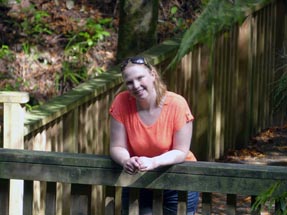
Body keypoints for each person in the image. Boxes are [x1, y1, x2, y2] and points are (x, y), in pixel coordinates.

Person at [109, 56, 199, 215]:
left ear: (152, 74)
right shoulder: (121, 102)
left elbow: (181, 151)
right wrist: (126, 160)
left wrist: (153, 162)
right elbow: (117, 146)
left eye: (140, 78)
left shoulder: (177, 104)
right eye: (129, 82)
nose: (135, 85)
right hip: (139, 178)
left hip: (178, 179)